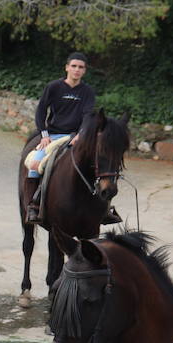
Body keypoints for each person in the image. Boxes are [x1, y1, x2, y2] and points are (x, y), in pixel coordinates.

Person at [25, 52, 119, 225]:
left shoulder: (87, 92)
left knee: (102, 163)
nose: (77, 70)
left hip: (77, 137)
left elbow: (87, 116)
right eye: (74, 66)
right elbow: (40, 112)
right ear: (67, 67)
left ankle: (105, 209)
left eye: (81, 67)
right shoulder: (53, 87)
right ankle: (33, 204)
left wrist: (80, 135)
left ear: (84, 71)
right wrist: (44, 135)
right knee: (35, 164)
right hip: (53, 136)